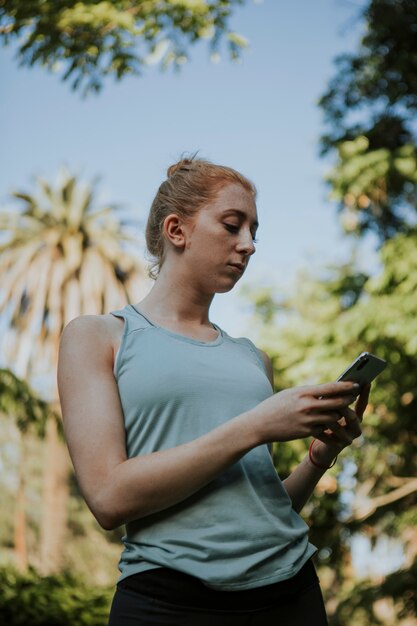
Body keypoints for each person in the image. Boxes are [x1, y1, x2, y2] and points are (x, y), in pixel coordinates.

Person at [57, 156, 370, 626]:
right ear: (176, 230)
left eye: (254, 231)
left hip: (291, 591)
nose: (248, 245)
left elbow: (258, 504)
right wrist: (258, 424)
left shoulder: (253, 358)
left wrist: (318, 457)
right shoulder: (97, 336)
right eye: (232, 225)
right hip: (167, 600)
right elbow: (108, 497)